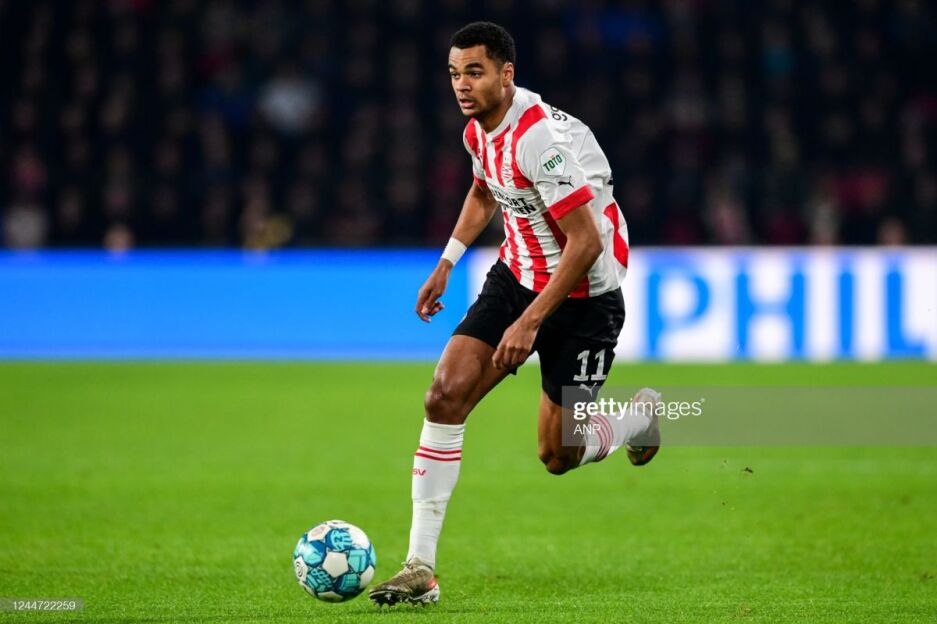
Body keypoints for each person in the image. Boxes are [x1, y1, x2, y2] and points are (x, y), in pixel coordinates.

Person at [369, 21, 661, 607]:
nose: (462, 85)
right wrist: (448, 262)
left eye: (474, 72)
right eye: (454, 73)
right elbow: (484, 193)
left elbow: (586, 244)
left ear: (507, 74)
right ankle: (420, 568)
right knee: (444, 397)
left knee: (558, 455)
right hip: (515, 277)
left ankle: (638, 420)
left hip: (584, 298)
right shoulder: (478, 131)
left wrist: (530, 322)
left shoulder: (538, 141)